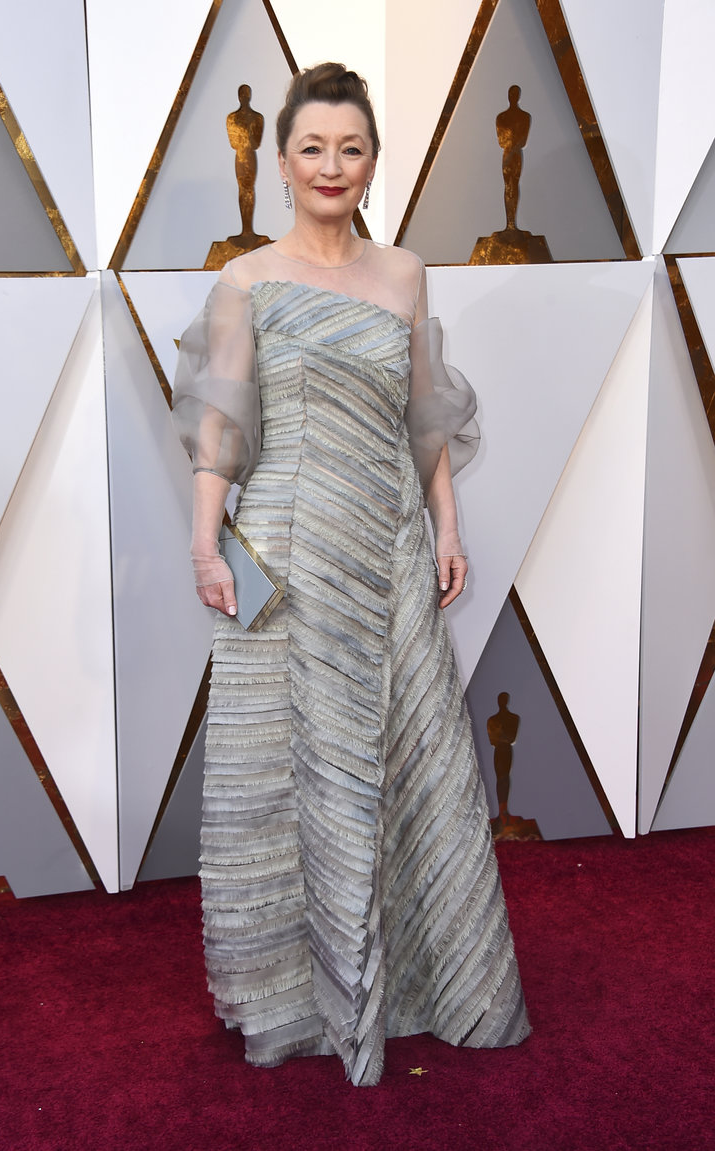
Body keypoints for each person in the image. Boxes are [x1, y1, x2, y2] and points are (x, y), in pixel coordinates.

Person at [173, 63, 530, 1087]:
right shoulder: (246, 279)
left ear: (372, 162)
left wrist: (447, 525)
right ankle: (303, 998)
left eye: (351, 148)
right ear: (283, 164)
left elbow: (425, 418)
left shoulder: (405, 273)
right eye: (313, 148)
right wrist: (204, 543)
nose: (332, 165)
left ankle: (422, 984)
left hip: (386, 545)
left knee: (411, 757)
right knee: (294, 772)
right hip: (286, 553)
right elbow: (220, 426)